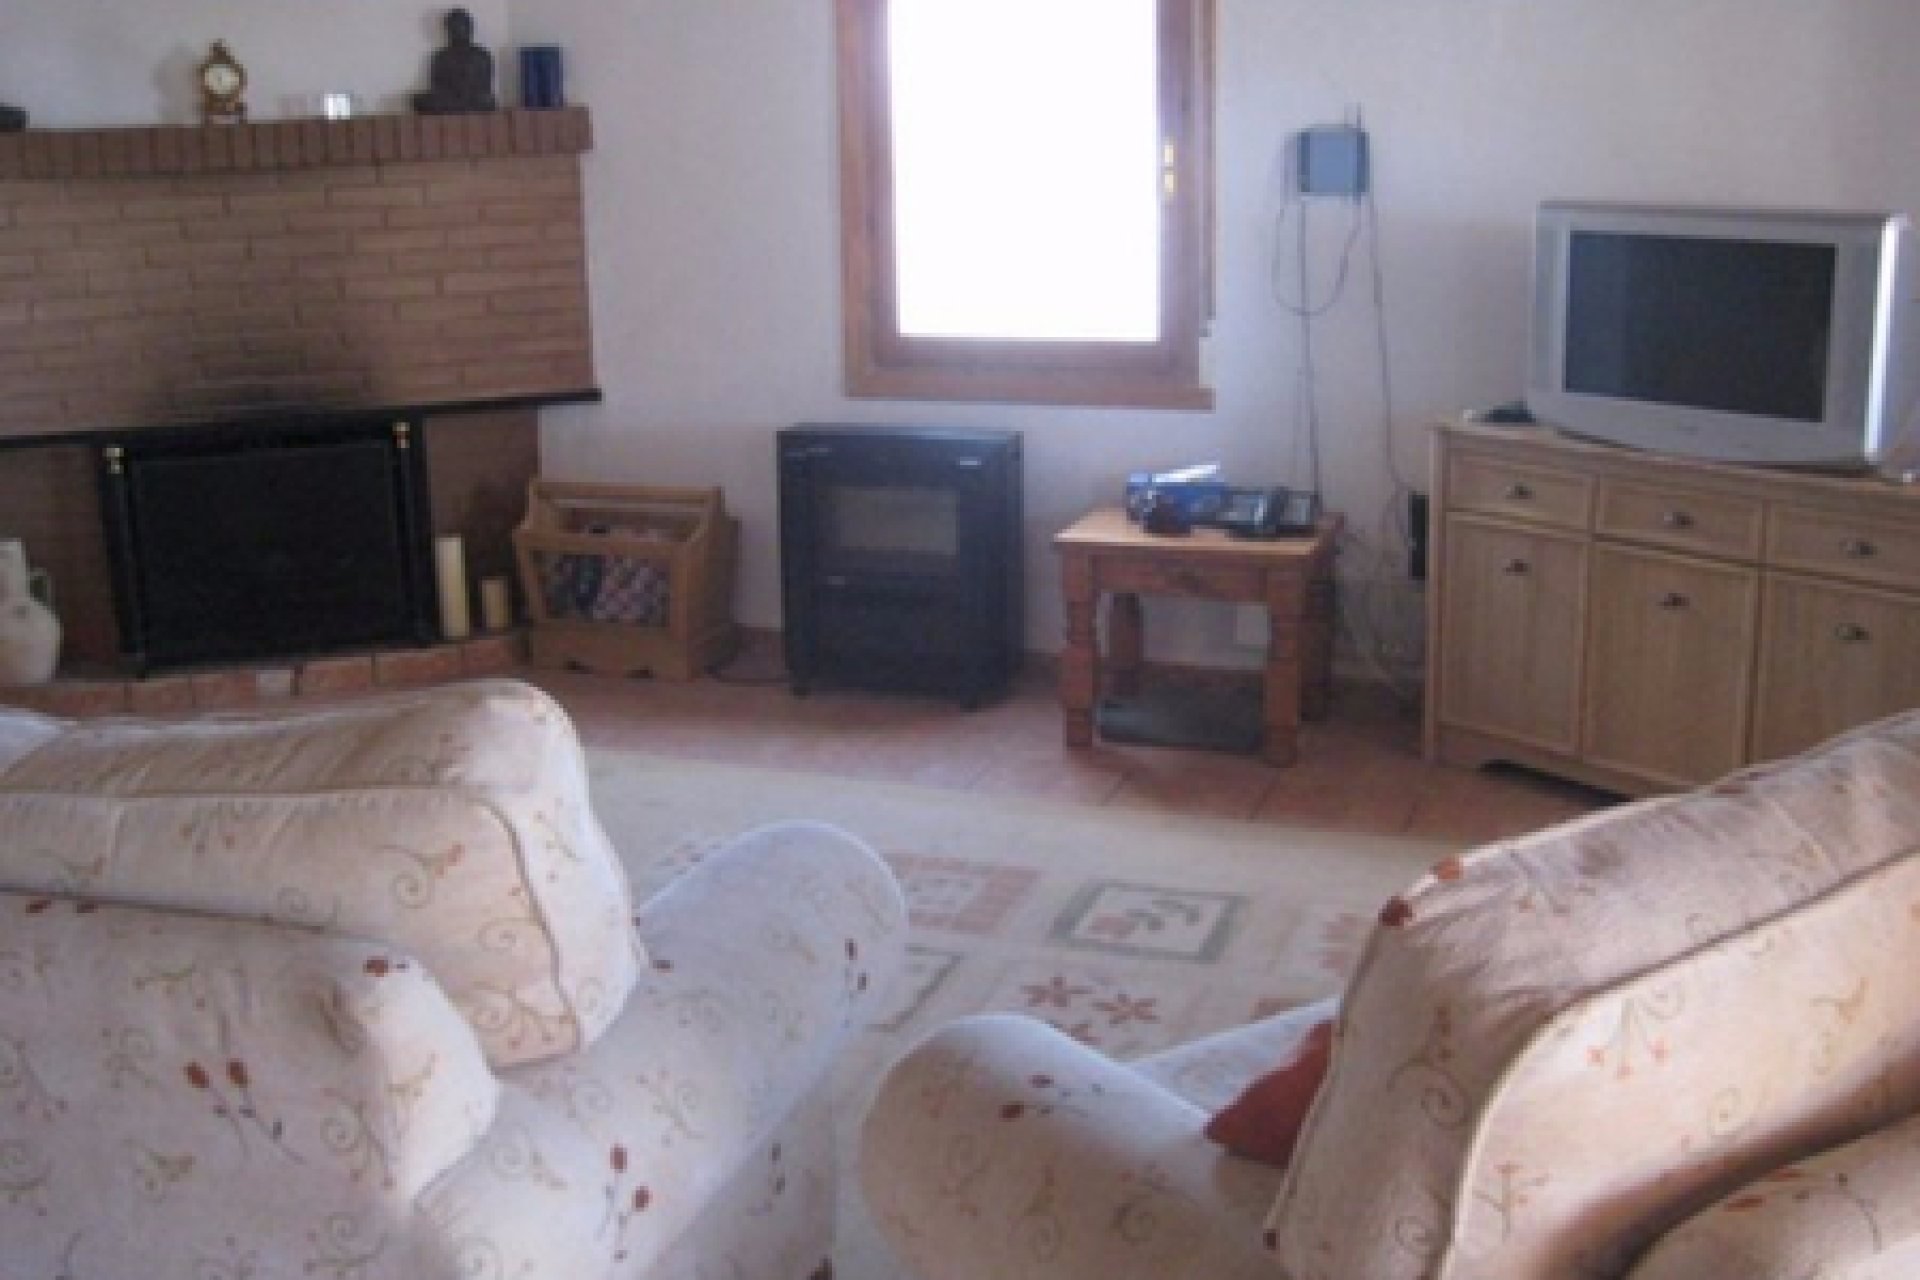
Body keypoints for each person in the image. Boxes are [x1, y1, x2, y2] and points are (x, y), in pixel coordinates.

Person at [412, 8, 496, 114]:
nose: (458, 31)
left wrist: (468, 93)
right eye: (454, 27)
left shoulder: (482, 55)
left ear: (470, 28)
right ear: (448, 30)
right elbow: (436, 87)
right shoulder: (441, 56)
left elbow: (486, 87)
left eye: (462, 26)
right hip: (450, 99)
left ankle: (461, 107)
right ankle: (461, 107)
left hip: (474, 100)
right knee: (418, 100)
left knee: (487, 101)